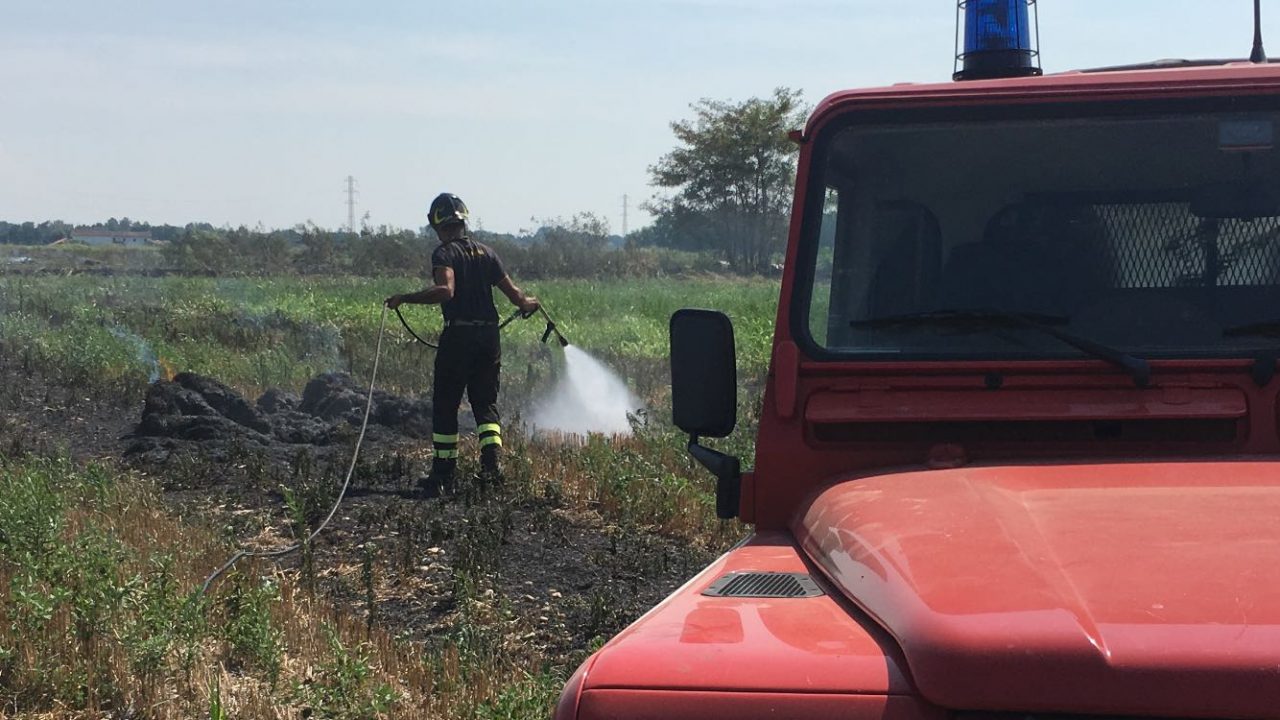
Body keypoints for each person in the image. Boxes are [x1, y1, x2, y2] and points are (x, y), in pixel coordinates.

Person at [385, 193, 538, 497]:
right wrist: (529, 303)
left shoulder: (444, 254)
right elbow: (517, 297)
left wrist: (405, 298)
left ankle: (443, 475)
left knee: (446, 405)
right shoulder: (488, 253)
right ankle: (492, 470)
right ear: (463, 220)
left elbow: (445, 290)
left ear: (438, 225)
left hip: (459, 338)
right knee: (486, 405)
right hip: (489, 338)